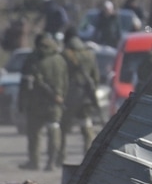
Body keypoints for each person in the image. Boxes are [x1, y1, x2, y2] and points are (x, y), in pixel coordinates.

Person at [18, 32, 68, 172]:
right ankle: (51, 162)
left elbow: (24, 83)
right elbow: (66, 81)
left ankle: (34, 162)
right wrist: (62, 96)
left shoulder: (33, 59)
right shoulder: (60, 59)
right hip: (55, 104)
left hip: (36, 104)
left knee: (34, 134)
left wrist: (21, 103)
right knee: (53, 131)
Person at [58, 28, 103, 165]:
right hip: (86, 96)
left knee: (63, 128)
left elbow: (61, 77)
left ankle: (60, 156)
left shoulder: (64, 55)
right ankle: (88, 157)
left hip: (69, 97)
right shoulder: (89, 54)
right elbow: (95, 78)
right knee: (86, 126)